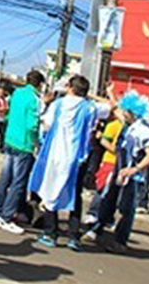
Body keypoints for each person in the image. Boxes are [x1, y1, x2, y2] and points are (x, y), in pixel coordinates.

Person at [30, 76, 98, 250]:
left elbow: (46, 124)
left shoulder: (58, 105)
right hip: (77, 157)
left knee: (50, 190)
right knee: (75, 195)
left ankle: (50, 232)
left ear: (69, 87)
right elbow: (92, 128)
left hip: (55, 153)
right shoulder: (90, 108)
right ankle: (74, 237)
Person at [84, 91, 149, 254]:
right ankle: (97, 229)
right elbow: (115, 107)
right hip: (119, 170)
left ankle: (120, 241)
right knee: (107, 199)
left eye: (126, 111)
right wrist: (109, 93)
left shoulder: (143, 130)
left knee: (126, 209)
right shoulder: (127, 125)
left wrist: (134, 169)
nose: (122, 113)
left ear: (132, 113)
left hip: (132, 176)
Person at [0, 70, 44, 234]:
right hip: (24, 143)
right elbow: (32, 124)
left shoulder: (17, 94)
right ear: (39, 84)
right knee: (18, 182)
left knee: (5, 178)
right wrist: (37, 140)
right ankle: (6, 217)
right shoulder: (35, 99)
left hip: (10, 138)